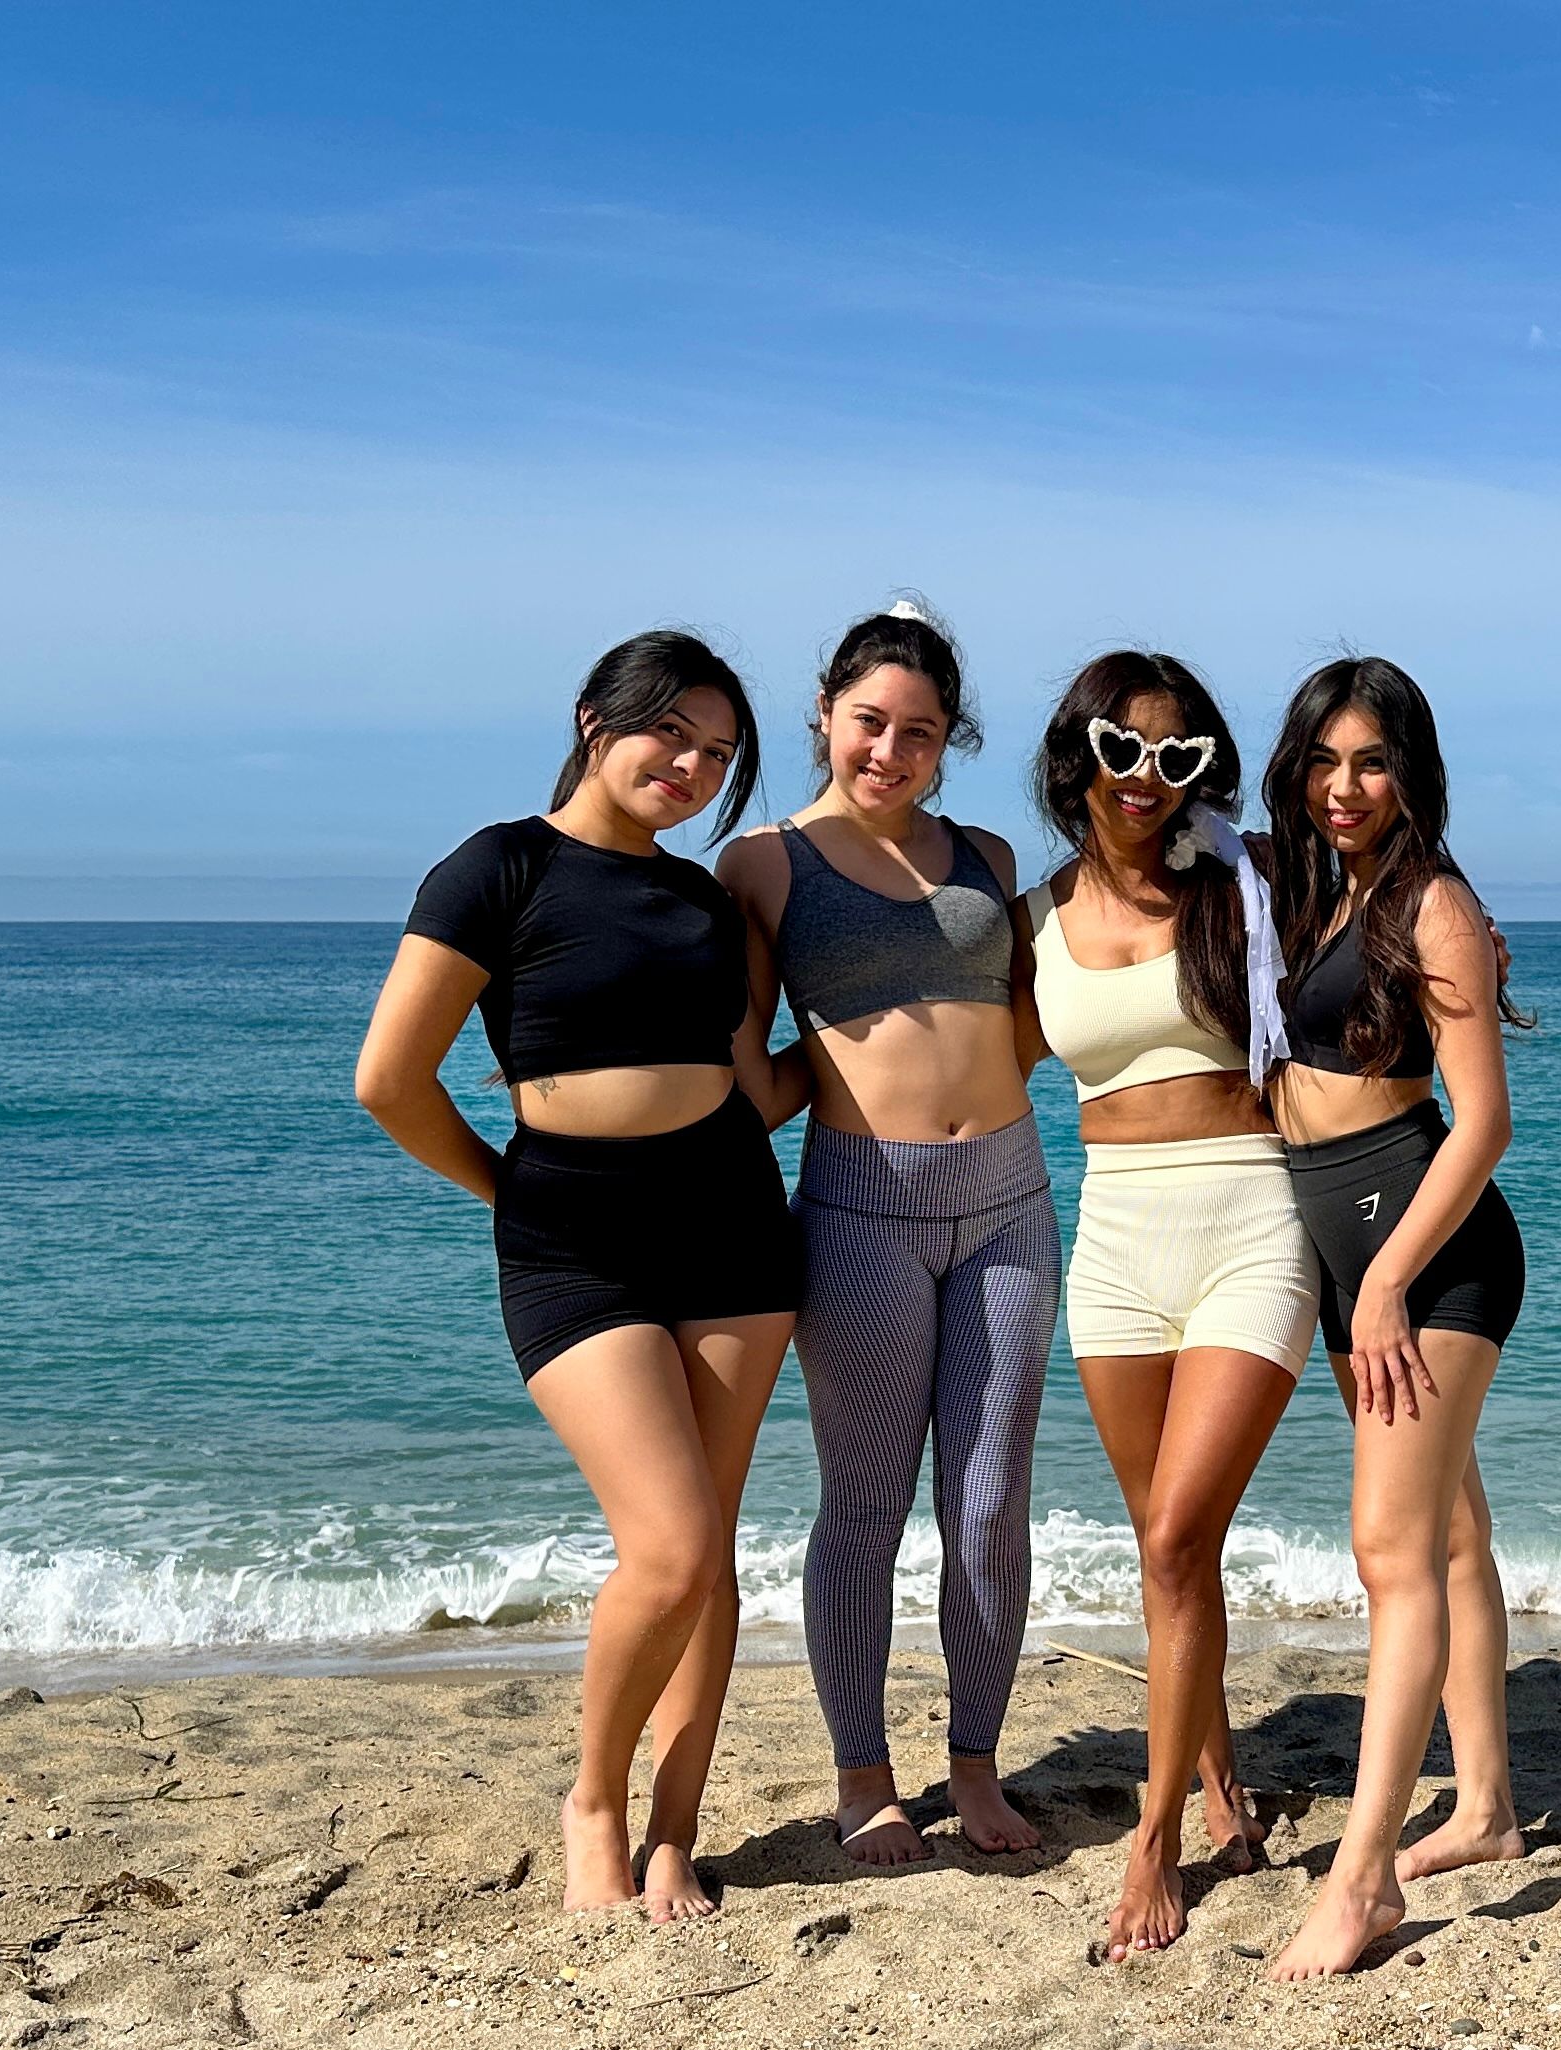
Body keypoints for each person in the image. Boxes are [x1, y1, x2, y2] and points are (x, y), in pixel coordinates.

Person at [352, 629, 803, 1924]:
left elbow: (752, 1079)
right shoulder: (500, 866)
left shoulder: (710, 903)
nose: (695, 765)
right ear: (595, 719)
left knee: (707, 1551)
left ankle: (674, 1834)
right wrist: (509, 1189)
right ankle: (592, 1802)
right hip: (573, 1239)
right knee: (664, 1547)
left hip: (729, 1223)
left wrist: (910, 1057)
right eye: (674, 731)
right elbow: (391, 1079)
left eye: (720, 754)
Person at [719, 601, 1055, 1865]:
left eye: (919, 731)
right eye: (869, 722)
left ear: (947, 738)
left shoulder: (987, 855)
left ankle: (976, 1765)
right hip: (861, 1206)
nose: (890, 750)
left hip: (1011, 1199)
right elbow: (753, 1071)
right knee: (863, 1504)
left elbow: (1025, 1020)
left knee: (987, 1504)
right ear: (825, 715)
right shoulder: (760, 864)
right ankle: (865, 1775)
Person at [1019, 651, 1320, 1957]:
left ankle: (1153, 1852)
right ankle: (1213, 1781)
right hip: (1116, 1242)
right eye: (1121, 747)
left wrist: (1467, 944)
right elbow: (942, 1062)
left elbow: (1393, 913)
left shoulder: (1252, 879)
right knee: (1168, 1544)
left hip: (1252, 1218)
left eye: (1179, 751)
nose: (1148, 776)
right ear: (1076, 756)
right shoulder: (1028, 915)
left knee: (1173, 1538)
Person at [1256, 656, 1535, 1981]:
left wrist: (1378, 1281)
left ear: (1410, 772)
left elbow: (1484, 1121)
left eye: (1371, 762)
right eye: (1324, 761)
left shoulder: (1434, 901)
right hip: (1346, 1238)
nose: (1345, 785)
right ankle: (1484, 1808)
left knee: (1390, 1551)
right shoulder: (1316, 889)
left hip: (1427, 1251)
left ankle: (1362, 1881)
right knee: (1452, 1531)